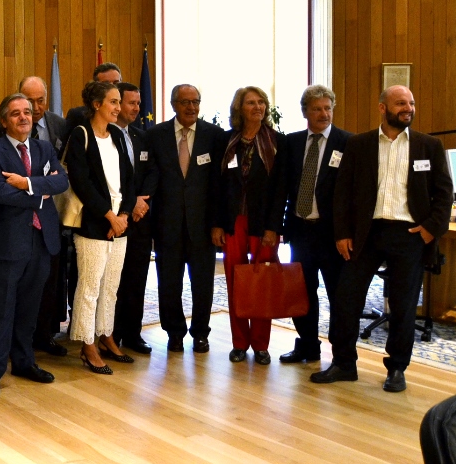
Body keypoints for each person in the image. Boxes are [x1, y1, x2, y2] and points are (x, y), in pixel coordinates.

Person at [312, 86, 453, 392]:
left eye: (412, 103)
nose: (408, 108)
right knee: (346, 298)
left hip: (410, 234)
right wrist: (342, 233)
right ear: (382, 108)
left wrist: (431, 228)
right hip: (367, 233)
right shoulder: (360, 144)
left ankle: (397, 368)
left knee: (403, 306)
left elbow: (444, 194)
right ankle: (344, 364)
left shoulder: (428, 146)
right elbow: (342, 193)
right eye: (401, 103)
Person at [0, 94, 68, 399]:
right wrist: (40, 190)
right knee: (1, 310)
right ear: (4, 121)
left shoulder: (43, 147)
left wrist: (27, 184)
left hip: (42, 240)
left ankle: (24, 362)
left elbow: (62, 182)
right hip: (8, 243)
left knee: (30, 308)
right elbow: (0, 194)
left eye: (27, 112)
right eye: (15, 114)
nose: (23, 118)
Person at [142, 84, 225, 353]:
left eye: (196, 102)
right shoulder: (156, 135)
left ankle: (201, 332)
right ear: (173, 104)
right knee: (169, 284)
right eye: (185, 102)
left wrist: (217, 223)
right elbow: (149, 178)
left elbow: (219, 185)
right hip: (167, 225)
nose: (191, 107)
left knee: (203, 284)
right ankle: (174, 332)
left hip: (203, 227)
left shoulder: (214, 136)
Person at [211, 87, 288, 365]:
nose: (258, 107)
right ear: (239, 109)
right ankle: (239, 343)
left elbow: (281, 191)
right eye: (251, 103)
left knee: (261, 283)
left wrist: (273, 228)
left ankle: (261, 344)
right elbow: (217, 188)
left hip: (262, 225)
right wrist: (217, 224)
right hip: (233, 222)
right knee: (236, 283)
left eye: (261, 103)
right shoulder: (226, 141)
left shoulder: (278, 142)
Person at [65, 81, 136, 374]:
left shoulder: (118, 135)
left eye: (120, 102)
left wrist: (124, 215)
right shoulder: (81, 134)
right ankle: (87, 343)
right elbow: (81, 183)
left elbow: (130, 178)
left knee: (111, 287)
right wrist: (109, 216)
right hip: (95, 224)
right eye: (113, 102)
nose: (119, 108)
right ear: (97, 105)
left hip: (120, 224)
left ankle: (106, 334)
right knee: (90, 287)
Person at [280, 85, 352, 363]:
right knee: (302, 293)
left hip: (333, 235)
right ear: (305, 112)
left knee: (338, 295)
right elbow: (282, 188)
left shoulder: (348, 142)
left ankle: (342, 354)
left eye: (328, 108)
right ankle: (308, 346)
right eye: (317, 108)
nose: (324, 114)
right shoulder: (292, 143)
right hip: (300, 232)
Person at [111, 82, 155, 355]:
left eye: (139, 103)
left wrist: (142, 199)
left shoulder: (142, 137)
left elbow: (153, 171)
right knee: (114, 280)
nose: (137, 108)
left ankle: (133, 333)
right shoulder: (104, 136)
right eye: (131, 103)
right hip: (115, 218)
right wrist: (130, 203)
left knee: (137, 278)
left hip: (140, 220)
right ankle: (110, 334)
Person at [60, 62, 122, 145]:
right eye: (106, 84)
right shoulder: (78, 116)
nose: (112, 88)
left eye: (116, 83)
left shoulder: (130, 115)